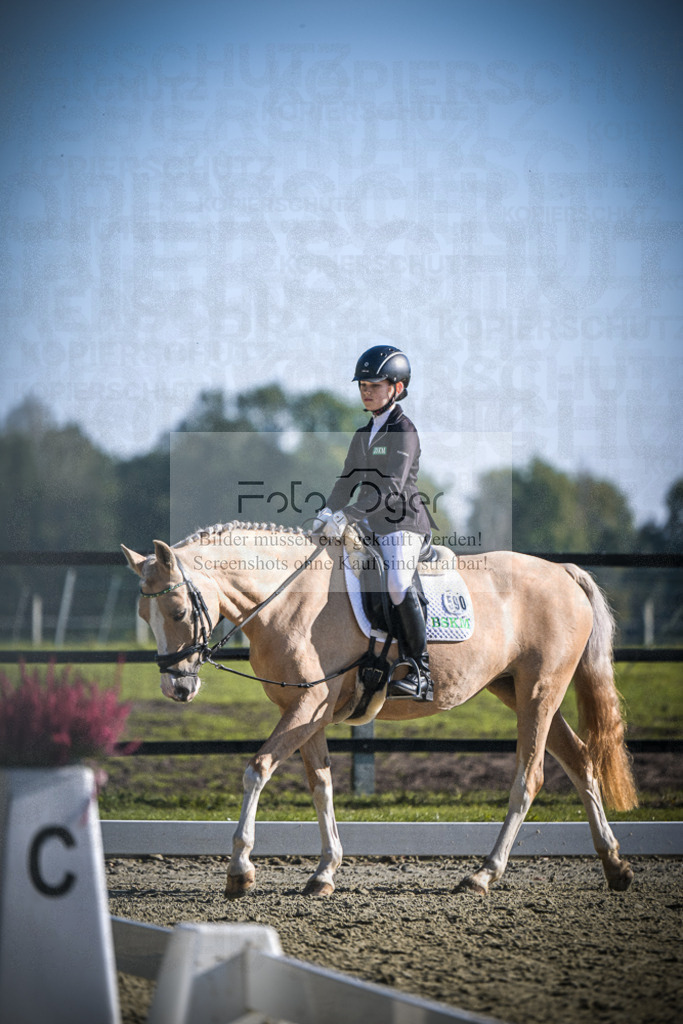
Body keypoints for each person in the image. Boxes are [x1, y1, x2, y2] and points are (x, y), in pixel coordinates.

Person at [312, 345, 434, 700]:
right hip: (370, 524)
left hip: (403, 524)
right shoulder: (363, 433)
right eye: (363, 384)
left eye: (375, 384)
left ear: (397, 388)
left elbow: (392, 488)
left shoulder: (404, 430)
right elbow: (347, 481)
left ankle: (421, 670)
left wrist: (347, 515)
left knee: (397, 583)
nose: (366, 390)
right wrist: (326, 514)